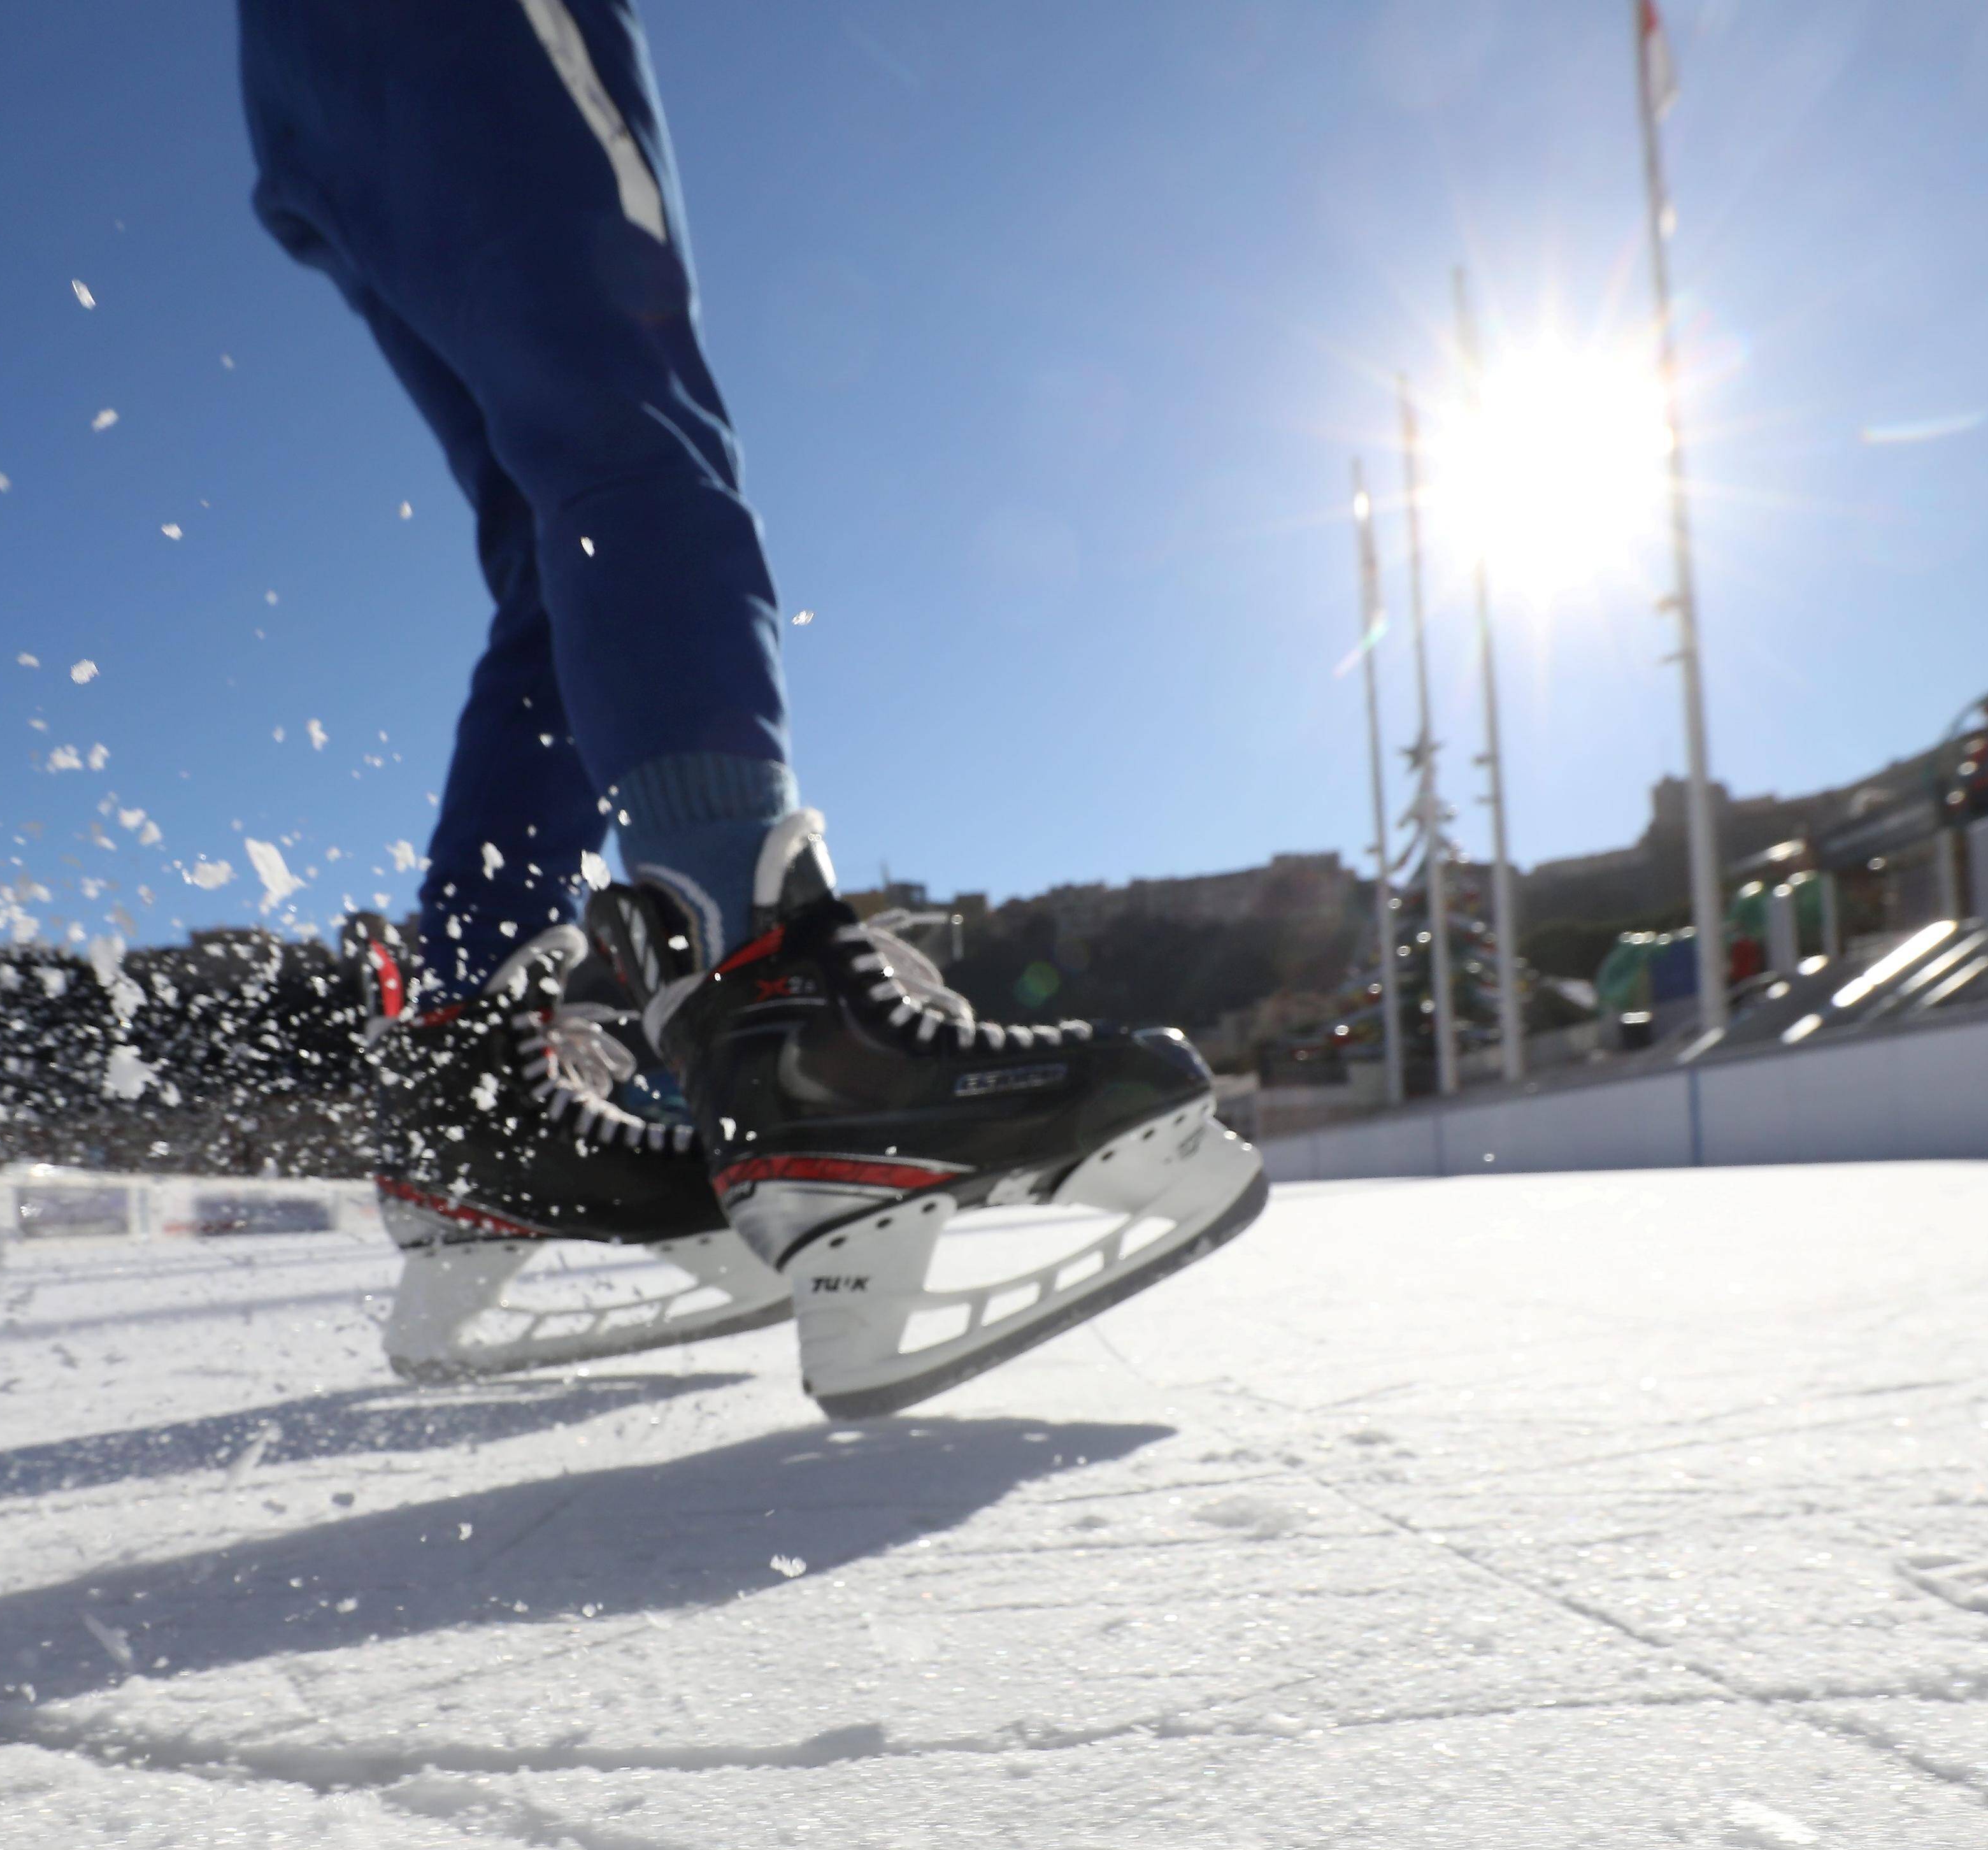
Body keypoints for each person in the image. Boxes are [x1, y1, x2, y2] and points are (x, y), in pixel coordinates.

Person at [241, 0, 1263, 1412]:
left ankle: (474, 1099)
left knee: (553, 551)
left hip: (309, 73)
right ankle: (789, 1031)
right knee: (628, 428)